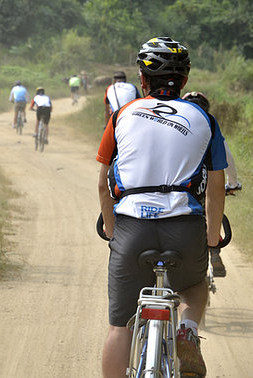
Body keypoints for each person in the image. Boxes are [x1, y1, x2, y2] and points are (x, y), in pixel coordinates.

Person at [97, 36, 227, 378]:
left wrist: (112, 230)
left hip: (131, 229)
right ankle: (187, 329)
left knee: (118, 327)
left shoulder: (122, 115)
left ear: (142, 80)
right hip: (184, 227)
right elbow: (216, 186)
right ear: (184, 81)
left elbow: (102, 183)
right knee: (195, 285)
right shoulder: (204, 119)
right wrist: (212, 241)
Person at [183, 90, 242, 278]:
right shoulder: (209, 125)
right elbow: (227, 158)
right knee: (212, 208)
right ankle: (214, 248)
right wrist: (233, 183)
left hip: (179, 185)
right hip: (207, 183)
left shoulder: (177, 125)